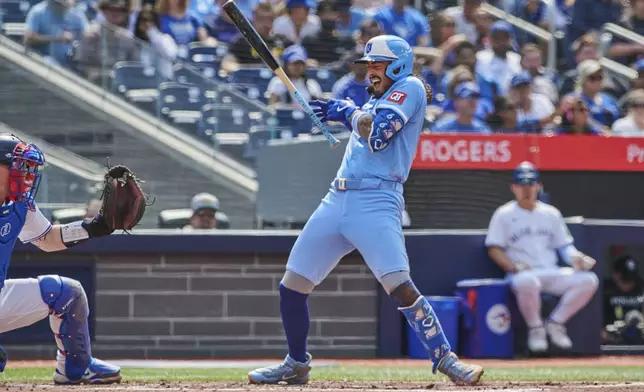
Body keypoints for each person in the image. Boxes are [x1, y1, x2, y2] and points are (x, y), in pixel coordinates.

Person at [248, 35, 484, 386]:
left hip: (377, 199)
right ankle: (296, 363)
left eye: (377, 65)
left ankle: (447, 360)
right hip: (337, 196)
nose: (370, 72)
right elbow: (365, 122)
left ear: (398, 65)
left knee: (399, 285)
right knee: (292, 284)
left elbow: (379, 134)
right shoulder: (377, 98)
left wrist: (346, 111)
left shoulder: (411, 87)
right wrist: (342, 111)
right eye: (368, 65)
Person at [0, 134, 121, 384]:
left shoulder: (19, 204)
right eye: (20, 166)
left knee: (68, 293)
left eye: (29, 168)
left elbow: (47, 239)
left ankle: (76, 368)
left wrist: (93, 227)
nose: (27, 175)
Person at [485, 162, 599, 353]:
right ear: (514, 187)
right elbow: (494, 248)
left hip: (550, 271)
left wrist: (576, 257)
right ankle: (536, 328)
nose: (527, 189)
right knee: (527, 281)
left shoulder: (551, 213)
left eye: (531, 184)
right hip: (523, 274)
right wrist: (511, 265)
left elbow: (564, 246)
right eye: (522, 184)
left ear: (538, 186)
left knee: (589, 279)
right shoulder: (504, 214)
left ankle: (555, 323)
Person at [75, 0, 137, 84]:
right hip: (91, 82)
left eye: (120, 10)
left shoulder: (128, 38)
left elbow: (134, 64)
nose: (115, 13)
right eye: (111, 9)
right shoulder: (91, 33)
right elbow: (80, 62)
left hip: (119, 83)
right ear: (104, 11)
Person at [24, 0, 88, 67]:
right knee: (48, 61)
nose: (62, 5)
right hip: (44, 62)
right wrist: (57, 38)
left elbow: (87, 36)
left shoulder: (76, 14)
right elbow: (29, 39)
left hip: (71, 62)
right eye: (59, 3)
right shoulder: (38, 11)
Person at [227, 2, 292, 65]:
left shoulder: (283, 41)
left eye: (270, 19)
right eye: (261, 19)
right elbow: (228, 63)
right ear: (254, 19)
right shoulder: (242, 41)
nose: (266, 23)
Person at [565, 60, 620, 128]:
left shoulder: (610, 99)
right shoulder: (572, 100)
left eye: (600, 77)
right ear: (583, 79)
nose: (597, 81)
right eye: (592, 78)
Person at [475, 21, 522, 95]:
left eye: (505, 38)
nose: (501, 42)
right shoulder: (481, 57)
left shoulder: (516, 59)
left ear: (510, 39)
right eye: (497, 38)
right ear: (490, 39)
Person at [134, 8, 178, 80]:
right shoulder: (135, 42)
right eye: (143, 20)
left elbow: (171, 55)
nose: (147, 24)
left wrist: (152, 33)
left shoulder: (166, 39)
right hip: (140, 82)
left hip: (164, 81)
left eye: (151, 20)